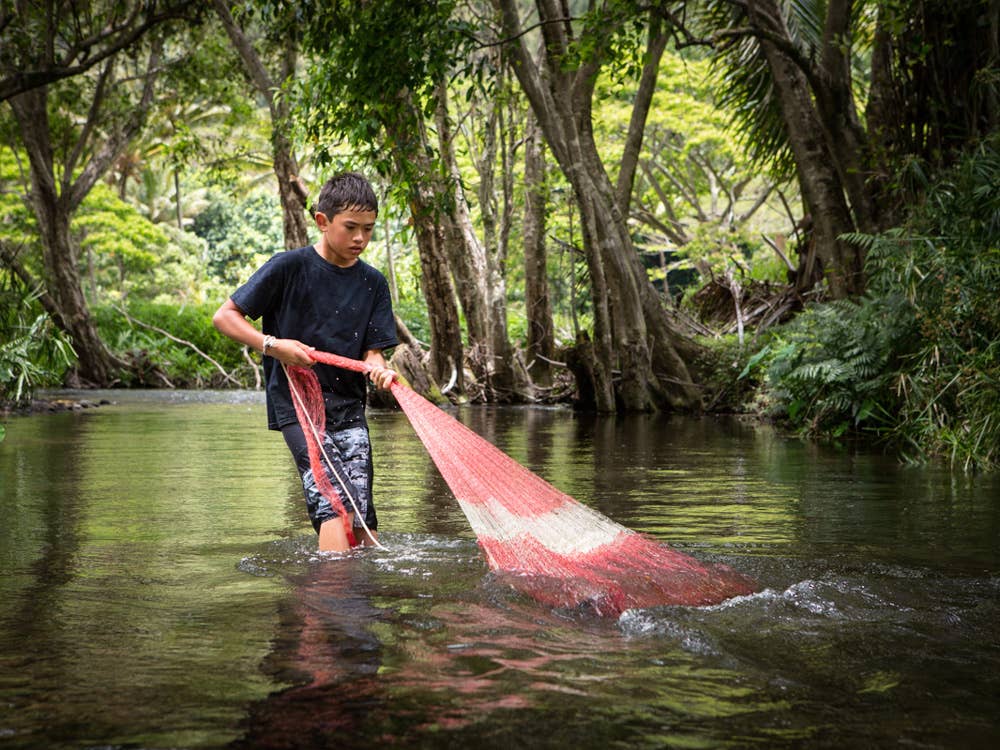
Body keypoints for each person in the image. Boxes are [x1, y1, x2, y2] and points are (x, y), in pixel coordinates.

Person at [213, 172, 398, 552]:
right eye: (351, 228)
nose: (360, 238)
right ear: (322, 221)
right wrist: (273, 345)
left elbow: (373, 352)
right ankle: (330, 597)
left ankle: (365, 591)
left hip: (349, 407)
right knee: (333, 502)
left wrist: (379, 367)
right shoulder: (288, 268)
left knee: (362, 512)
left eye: (369, 229)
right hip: (297, 406)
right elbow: (225, 317)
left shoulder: (373, 283)